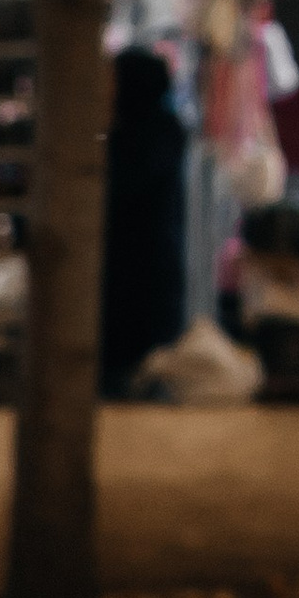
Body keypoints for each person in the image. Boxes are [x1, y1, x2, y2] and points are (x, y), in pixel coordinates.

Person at [100, 45, 188, 394]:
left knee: (136, 379)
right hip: (144, 281)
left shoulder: (149, 137)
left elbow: (119, 191)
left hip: (141, 284)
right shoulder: (159, 132)